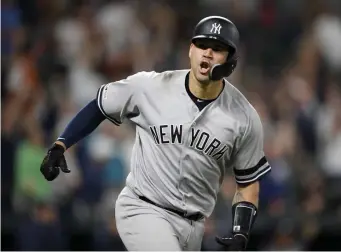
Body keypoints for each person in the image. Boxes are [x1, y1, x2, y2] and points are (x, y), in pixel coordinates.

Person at [40, 16, 271, 251]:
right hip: (144, 209)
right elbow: (100, 105)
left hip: (194, 226)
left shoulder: (243, 116)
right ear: (191, 50)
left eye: (218, 49)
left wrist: (241, 232)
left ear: (231, 61)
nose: (208, 53)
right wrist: (61, 144)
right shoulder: (152, 86)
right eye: (202, 45)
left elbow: (248, 182)